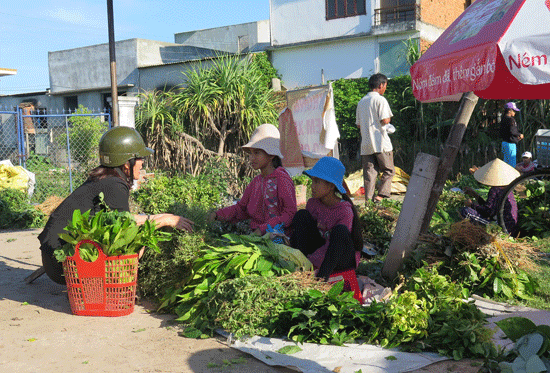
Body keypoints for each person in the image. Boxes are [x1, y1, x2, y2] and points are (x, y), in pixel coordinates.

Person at [38, 126, 194, 284]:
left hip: (54, 258)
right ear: (127, 163)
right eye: (140, 158)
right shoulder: (114, 184)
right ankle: (112, 286)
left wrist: (162, 216)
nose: (142, 163)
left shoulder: (105, 178)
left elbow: (119, 217)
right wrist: (165, 221)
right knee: (134, 238)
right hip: (63, 266)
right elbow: (124, 225)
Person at [209, 123, 297, 236]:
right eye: (250, 153)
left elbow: (290, 214)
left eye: (257, 153)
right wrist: (217, 215)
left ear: (271, 155)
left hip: (279, 238)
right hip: (255, 236)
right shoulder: (256, 182)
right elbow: (241, 209)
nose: (251, 158)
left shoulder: (282, 179)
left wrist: (264, 229)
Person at [289, 156, 363, 280]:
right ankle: (299, 264)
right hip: (320, 249)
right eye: (312, 181)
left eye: (317, 182)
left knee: (340, 231)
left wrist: (312, 261)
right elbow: (306, 234)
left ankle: (321, 278)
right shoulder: (313, 203)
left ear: (331, 186)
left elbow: (336, 244)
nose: (312, 186)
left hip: (340, 257)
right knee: (301, 216)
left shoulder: (344, 210)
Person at [356, 73, 395, 203]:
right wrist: (388, 124)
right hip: (380, 142)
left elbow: (359, 125)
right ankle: (380, 196)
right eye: (385, 86)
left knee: (369, 174)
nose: (385, 88)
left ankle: (368, 202)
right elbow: (385, 119)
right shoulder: (380, 100)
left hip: (366, 144)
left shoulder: (361, 102)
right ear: (381, 85)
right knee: (388, 171)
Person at [460, 158, 520, 236]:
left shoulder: (495, 189)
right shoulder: (507, 189)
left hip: (502, 229)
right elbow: (490, 207)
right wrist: (476, 195)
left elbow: (488, 212)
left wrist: (471, 205)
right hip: (511, 229)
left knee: (465, 211)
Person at [499, 101, 524, 167]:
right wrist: (519, 135)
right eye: (513, 111)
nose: (514, 112)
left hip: (504, 143)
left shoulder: (503, 119)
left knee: (506, 165)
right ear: (509, 110)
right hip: (510, 145)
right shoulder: (511, 120)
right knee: (511, 166)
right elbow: (512, 131)